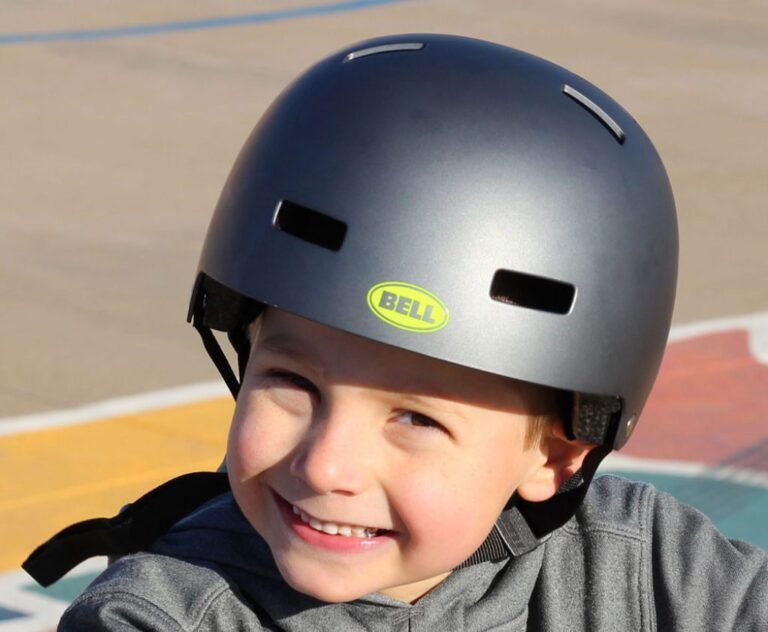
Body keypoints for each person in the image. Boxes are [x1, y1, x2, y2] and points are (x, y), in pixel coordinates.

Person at [27, 34, 767, 630]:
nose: (326, 467)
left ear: (558, 453)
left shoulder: (649, 571)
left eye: (414, 417)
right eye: (293, 384)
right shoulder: (164, 615)